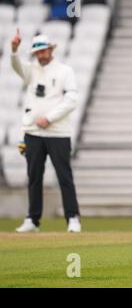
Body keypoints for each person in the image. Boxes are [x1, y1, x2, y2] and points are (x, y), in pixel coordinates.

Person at [11, 30, 81, 233]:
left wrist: (49, 118)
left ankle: (72, 218)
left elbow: (71, 100)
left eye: (44, 51)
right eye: (37, 52)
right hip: (33, 132)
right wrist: (14, 50)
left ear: (51, 50)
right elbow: (15, 66)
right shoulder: (32, 70)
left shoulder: (64, 71)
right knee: (34, 176)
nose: (41, 55)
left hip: (58, 132)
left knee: (64, 176)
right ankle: (32, 219)